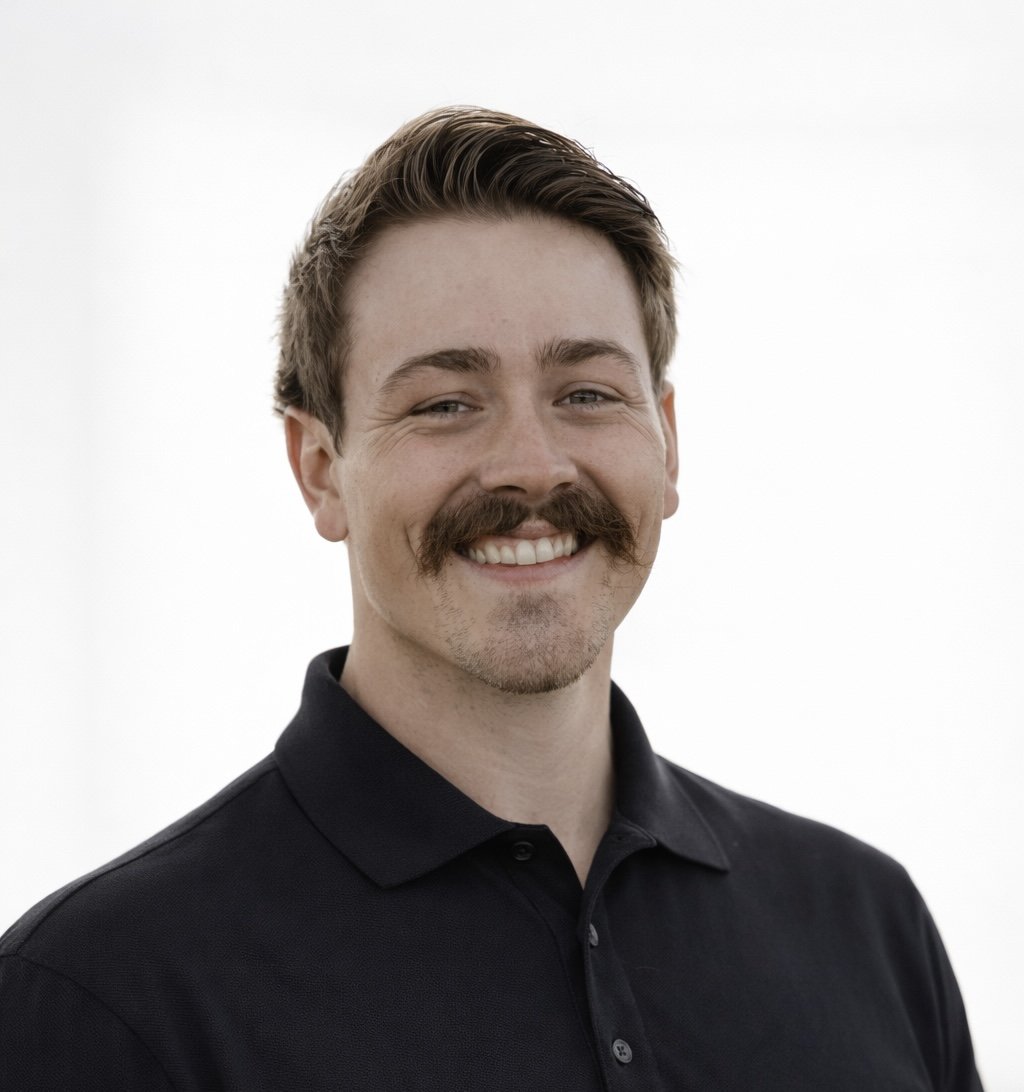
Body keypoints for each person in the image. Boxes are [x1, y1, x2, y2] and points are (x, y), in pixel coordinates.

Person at [0, 107, 982, 1090]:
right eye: (444, 403)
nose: (530, 465)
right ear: (319, 468)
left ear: (667, 440)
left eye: (586, 393)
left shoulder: (867, 925)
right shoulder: (101, 996)